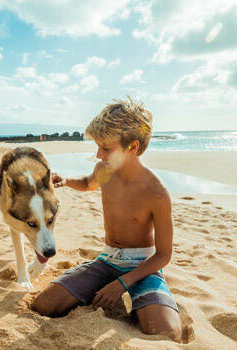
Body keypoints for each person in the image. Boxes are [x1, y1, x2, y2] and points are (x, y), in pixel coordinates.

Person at [31, 97, 182, 342]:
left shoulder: (156, 192)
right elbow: (88, 183)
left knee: (166, 332)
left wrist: (121, 284)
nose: (98, 154)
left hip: (142, 267)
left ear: (132, 147)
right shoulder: (104, 171)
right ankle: (95, 286)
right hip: (107, 260)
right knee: (44, 305)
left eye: (106, 148)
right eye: (98, 146)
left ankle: (145, 298)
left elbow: (163, 255)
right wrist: (66, 180)